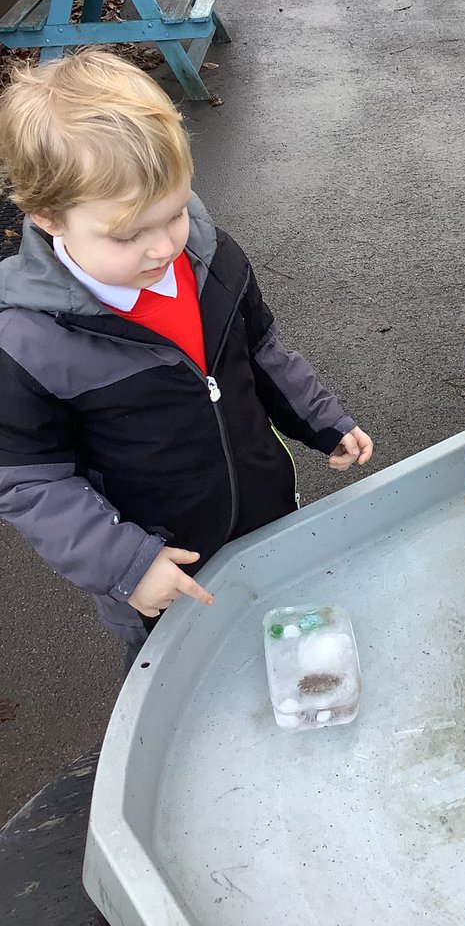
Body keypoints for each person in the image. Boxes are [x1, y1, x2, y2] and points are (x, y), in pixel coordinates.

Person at [0, 50, 373, 667]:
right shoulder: (29, 343)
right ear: (46, 218)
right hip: (164, 564)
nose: (161, 247)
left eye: (174, 212)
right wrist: (126, 563)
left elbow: (262, 352)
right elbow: (32, 481)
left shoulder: (211, 260)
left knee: (282, 625)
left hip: (266, 510)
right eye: (127, 234)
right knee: (191, 674)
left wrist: (321, 421)